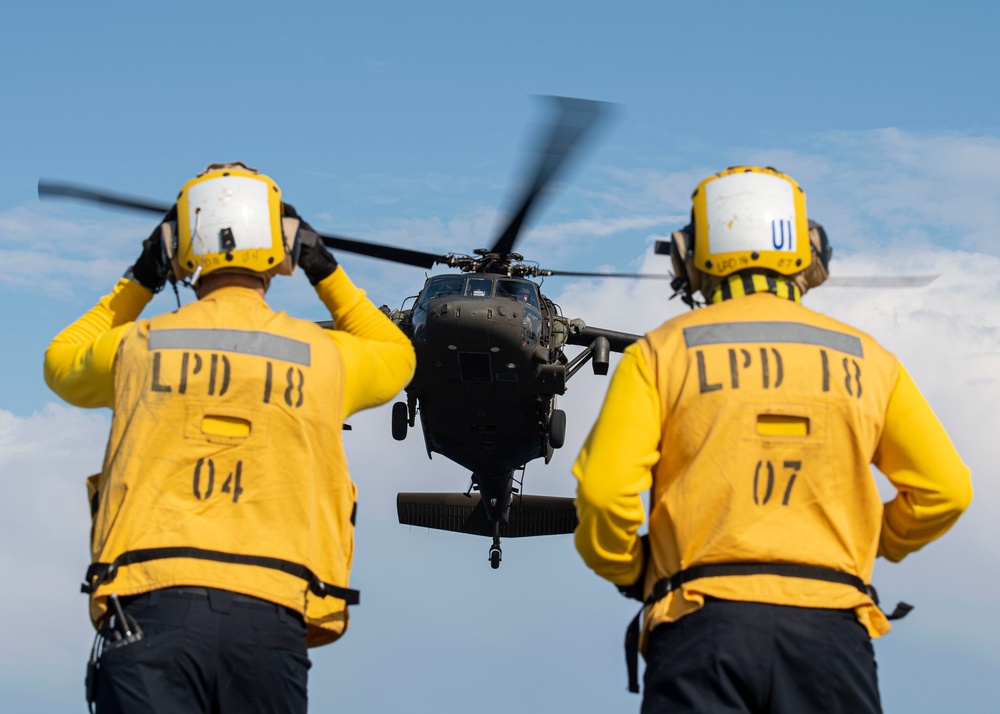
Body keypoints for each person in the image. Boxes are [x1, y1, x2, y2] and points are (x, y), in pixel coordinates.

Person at [572, 166, 972, 713]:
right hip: (832, 635)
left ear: (688, 256)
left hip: (700, 626)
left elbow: (602, 491)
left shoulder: (660, 353)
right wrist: (865, 543)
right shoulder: (870, 360)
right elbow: (945, 490)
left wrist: (631, 570)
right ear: (812, 254)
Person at [44, 163, 416, 713]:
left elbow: (60, 360)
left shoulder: (137, 346)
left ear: (179, 248)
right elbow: (398, 356)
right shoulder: (325, 357)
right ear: (283, 246)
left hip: (149, 605)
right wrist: (325, 270)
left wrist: (142, 277)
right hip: (270, 618)